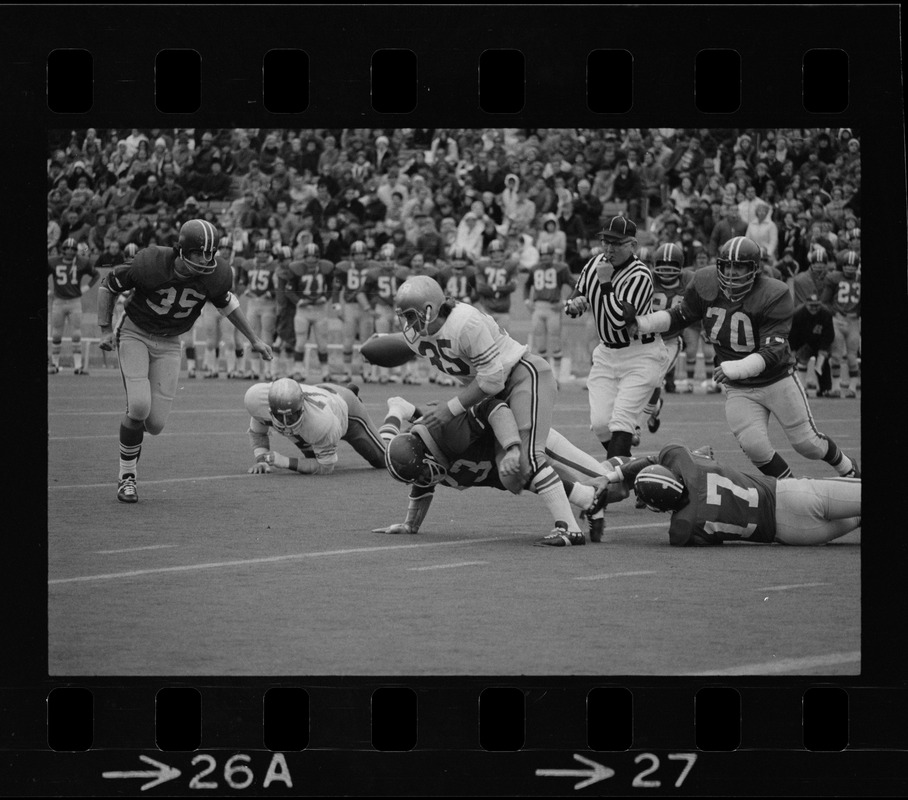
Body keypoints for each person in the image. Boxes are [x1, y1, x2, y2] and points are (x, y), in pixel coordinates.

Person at [625, 235, 860, 479]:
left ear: (754, 269)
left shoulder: (774, 293)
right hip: (739, 388)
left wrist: (735, 368)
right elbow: (679, 315)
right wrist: (641, 323)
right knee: (755, 447)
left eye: (739, 266)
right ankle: (791, 488)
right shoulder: (705, 282)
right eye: (727, 265)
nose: (731, 271)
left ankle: (848, 468)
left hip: (776, 379)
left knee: (807, 444)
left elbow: (772, 351)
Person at [389, 275, 587, 546]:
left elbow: (492, 379)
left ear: (429, 309)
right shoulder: (417, 337)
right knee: (511, 476)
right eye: (403, 318)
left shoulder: (464, 323)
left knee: (527, 457)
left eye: (411, 316)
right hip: (490, 393)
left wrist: (452, 408)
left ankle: (570, 529)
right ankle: (592, 496)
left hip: (520, 376)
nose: (408, 325)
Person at [96, 219, 273, 503]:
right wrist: (105, 328)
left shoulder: (215, 275)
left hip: (169, 342)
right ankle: (127, 477)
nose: (207, 259)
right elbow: (109, 285)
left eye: (211, 253)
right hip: (135, 333)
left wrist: (255, 339)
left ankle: (131, 432)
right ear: (183, 250)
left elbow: (228, 305)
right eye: (200, 252)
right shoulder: (151, 263)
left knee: (154, 424)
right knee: (139, 406)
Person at [374, 395, 623, 544]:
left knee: (616, 488)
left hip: (529, 439)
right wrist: (410, 524)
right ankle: (589, 499)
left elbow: (493, 406)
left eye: (422, 473)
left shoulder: (448, 435)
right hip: (517, 467)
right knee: (517, 475)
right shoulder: (426, 457)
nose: (425, 480)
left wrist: (512, 447)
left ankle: (632, 467)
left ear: (426, 452)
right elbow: (422, 485)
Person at [588, 442, 860, 547]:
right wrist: (615, 475)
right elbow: (654, 458)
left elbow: (707, 538)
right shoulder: (684, 461)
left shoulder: (683, 529)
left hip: (793, 534)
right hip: (791, 495)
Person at [564, 216, 670, 459]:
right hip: (607, 353)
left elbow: (619, 319)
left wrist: (605, 282)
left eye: (616, 243)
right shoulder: (594, 264)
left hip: (641, 354)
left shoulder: (640, 274)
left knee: (622, 421)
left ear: (632, 245)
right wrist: (574, 304)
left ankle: (613, 482)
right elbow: (572, 299)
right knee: (601, 424)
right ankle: (633, 474)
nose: (609, 249)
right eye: (605, 242)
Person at [244, 377, 387, 476]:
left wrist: (284, 461)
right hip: (319, 397)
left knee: (386, 460)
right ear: (270, 410)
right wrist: (262, 460)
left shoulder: (321, 421)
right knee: (311, 457)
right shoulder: (257, 400)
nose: (286, 423)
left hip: (345, 410)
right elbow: (257, 430)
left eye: (291, 416)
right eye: (280, 416)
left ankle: (398, 410)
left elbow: (325, 467)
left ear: (302, 408)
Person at [630, 243, 694, 444]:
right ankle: (654, 407)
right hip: (646, 339)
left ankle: (636, 426)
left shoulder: (689, 280)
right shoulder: (646, 277)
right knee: (639, 381)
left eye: (671, 266)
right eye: (662, 266)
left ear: (681, 266)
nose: (666, 271)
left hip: (671, 340)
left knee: (654, 379)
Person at [47, 237, 101, 374]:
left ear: (76, 250)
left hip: (74, 301)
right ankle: (54, 365)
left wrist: (86, 288)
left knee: (76, 333)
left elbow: (96, 274)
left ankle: (78, 366)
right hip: (58, 301)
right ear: (63, 249)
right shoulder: (53, 262)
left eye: (72, 249)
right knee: (56, 334)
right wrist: (48, 290)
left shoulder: (82, 262)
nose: (70, 251)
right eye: (67, 248)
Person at [525, 242, 576, 383]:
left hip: (553, 307)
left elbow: (575, 285)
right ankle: (545, 377)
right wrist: (527, 301)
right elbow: (527, 285)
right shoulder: (534, 269)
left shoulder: (561, 268)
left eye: (548, 254)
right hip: (538, 307)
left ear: (553, 255)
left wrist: (565, 302)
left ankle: (557, 377)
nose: (545, 257)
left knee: (555, 342)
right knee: (540, 344)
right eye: (542, 255)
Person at [285, 243, 336, 382]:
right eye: (309, 256)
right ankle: (298, 369)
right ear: (304, 257)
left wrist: (325, 297)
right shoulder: (296, 269)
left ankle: (325, 371)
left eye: (314, 256)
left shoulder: (326, 268)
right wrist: (299, 301)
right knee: (300, 342)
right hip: (303, 310)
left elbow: (331, 286)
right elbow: (289, 290)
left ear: (319, 257)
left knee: (322, 344)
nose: (312, 260)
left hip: (320, 310)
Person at [332, 240, 377, 382]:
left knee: (367, 341)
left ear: (366, 255)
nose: (359, 257)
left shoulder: (373, 268)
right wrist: (337, 306)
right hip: (350, 306)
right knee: (348, 340)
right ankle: (347, 372)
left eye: (362, 254)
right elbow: (336, 288)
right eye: (356, 254)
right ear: (352, 255)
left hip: (366, 307)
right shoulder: (343, 268)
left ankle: (367, 372)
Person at [821, 249, 861, 398]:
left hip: (853, 321)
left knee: (852, 355)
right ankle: (836, 387)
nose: (850, 268)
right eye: (847, 265)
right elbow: (825, 301)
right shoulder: (834, 278)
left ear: (857, 266)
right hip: (837, 319)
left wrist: (857, 314)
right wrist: (834, 313)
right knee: (836, 355)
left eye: (853, 265)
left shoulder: (859, 279)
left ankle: (852, 387)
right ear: (842, 266)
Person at [789, 293, 834, 398]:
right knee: (801, 362)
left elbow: (829, 334)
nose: (814, 308)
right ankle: (802, 388)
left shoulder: (826, 313)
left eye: (816, 305)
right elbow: (793, 333)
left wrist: (823, 349)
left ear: (820, 304)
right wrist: (793, 350)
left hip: (821, 343)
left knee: (822, 364)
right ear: (806, 304)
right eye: (811, 305)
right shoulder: (798, 314)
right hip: (804, 343)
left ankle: (825, 389)